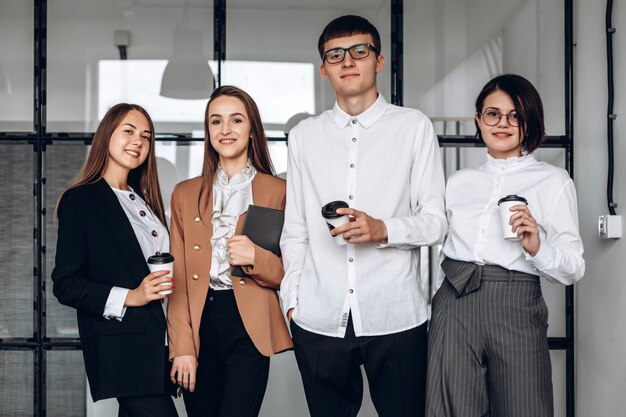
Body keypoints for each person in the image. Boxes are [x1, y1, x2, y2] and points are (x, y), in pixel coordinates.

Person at [280, 15, 447, 417]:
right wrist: (292, 303)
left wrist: (382, 228)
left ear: (379, 61)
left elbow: (436, 220)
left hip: (397, 314)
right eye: (335, 54)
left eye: (359, 50)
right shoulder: (304, 136)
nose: (348, 61)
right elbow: (296, 229)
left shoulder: (413, 127)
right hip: (318, 317)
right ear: (324, 68)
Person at [425, 73, 585, 417]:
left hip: (515, 302)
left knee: (526, 406)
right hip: (453, 302)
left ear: (530, 122)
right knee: (451, 409)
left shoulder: (553, 181)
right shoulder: (459, 182)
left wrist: (537, 247)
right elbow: (441, 244)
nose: (503, 123)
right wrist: (439, 308)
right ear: (478, 120)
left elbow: (574, 267)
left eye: (515, 115)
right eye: (493, 113)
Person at [167, 85, 292, 417]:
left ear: (252, 129)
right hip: (199, 322)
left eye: (236, 120)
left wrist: (258, 259)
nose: (225, 130)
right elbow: (176, 278)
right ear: (208, 132)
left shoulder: (279, 192)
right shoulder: (184, 193)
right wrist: (182, 347)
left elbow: (296, 274)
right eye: (215, 121)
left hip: (249, 324)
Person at [51, 103, 178, 417]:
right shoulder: (82, 199)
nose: (138, 141)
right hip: (126, 349)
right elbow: (65, 285)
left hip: (159, 346)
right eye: (129, 131)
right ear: (106, 135)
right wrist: (131, 297)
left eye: (146, 136)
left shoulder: (144, 201)